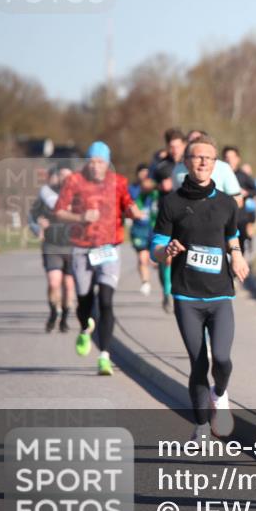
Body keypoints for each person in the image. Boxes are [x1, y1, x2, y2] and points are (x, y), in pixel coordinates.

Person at [152, 135, 249, 440]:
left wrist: (236, 255)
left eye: (209, 157)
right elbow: (156, 248)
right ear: (186, 162)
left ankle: (219, 393)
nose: (203, 161)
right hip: (186, 296)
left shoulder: (226, 203)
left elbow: (232, 235)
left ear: (216, 163)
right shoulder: (172, 203)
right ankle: (202, 426)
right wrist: (166, 252)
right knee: (198, 362)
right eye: (197, 157)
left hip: (220, 294)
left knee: (221, 359)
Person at [54, 141, 145, 375]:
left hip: (108, 248)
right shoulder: (74, 181)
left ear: (108, 163)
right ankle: (85, 327)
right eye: (92, 161)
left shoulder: (119, 182)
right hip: (82, 248)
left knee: (105, 300)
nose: (95, 166)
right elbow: (59, 212)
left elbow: (128, 205)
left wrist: (134, 213)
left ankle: (104, 356)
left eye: (100, 162)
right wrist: (81, 216)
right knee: (84, 300)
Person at [28, 165, 75, 332]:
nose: (65, 179)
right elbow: (32, 216)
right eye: (62, 175)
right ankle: (54, 312)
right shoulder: (47, 194)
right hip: (52, 245)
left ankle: (65, 318)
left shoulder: (79, 195)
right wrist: (37, 227)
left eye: (68, 176)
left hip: (73, 246)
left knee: (68, 285)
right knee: (54, 283)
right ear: (58, 177)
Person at [150, 128, 186, 312]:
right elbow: (146, 183)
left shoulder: (189, 164)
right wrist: (159, 185)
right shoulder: (162, 166)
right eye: (171, 147)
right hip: (165, 215)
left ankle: (178, 292)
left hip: (185, 216)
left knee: (181, 256)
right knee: (167, 258)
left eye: (177, 146)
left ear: (184, 145)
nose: (174, 150)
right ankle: (167, 292)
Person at [172, 130, 243, 205]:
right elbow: (176, 199)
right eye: (191, 141)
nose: (196, 143)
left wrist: (218, 211)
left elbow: (238, 199)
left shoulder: (223, 167)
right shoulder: (177, 169)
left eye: (198, 140)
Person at [128, 164, 160, 295]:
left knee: (154, 258)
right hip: (139, 228)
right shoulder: (132, 189)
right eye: (142, 173)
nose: (145, 176)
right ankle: (145, 282)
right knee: (142, 257)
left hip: (154, 228)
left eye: (147, 173)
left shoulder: (156, 190)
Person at [221, 146, 256, 256]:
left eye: (232, 157)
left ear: (238, 159)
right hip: (223, 216)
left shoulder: (243, 175)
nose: (229, 160)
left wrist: (246, 193)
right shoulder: (219, 174)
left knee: (239, 247)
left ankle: (238, 270)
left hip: (240, 217)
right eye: (226, 157)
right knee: (224, 246)